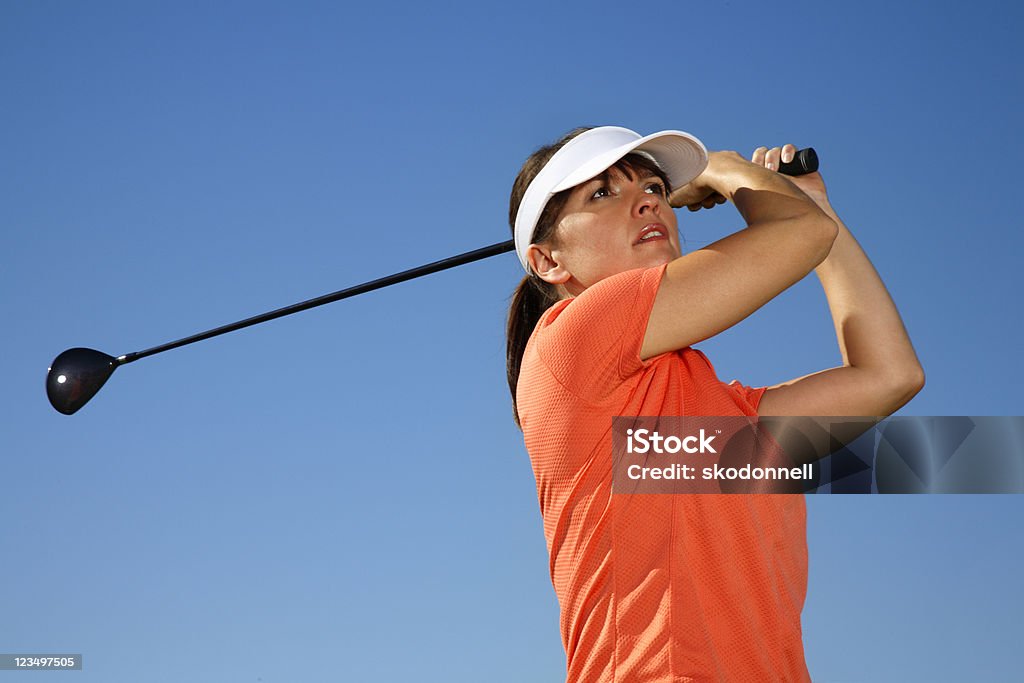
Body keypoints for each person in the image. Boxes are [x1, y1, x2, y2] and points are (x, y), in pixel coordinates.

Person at [505, 126, 924, 682]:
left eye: (654, 186)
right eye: (602, 193)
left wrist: (818, 206)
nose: (647, 199)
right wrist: (720, 170)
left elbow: (889, 374)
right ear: (548, 261)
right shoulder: (570, 341)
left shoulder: (730, 432)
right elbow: (799, 235)